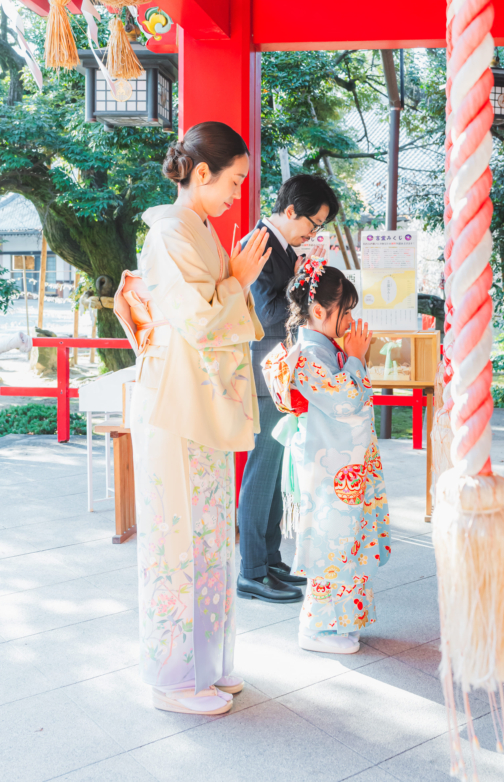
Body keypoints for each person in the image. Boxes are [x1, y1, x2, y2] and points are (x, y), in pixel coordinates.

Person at [117, 122, 269, 717]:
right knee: (177, 542)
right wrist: (239, 281)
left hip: (197, 400)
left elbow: (217, 306)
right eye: (233, 181)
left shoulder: (199, 228)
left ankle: (207, 664)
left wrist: (234, 281)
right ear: (201, 174)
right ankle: (174, 678)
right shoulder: (170, 233)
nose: (237, 194)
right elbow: (202, 322)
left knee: (208, 538)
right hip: (174, 402)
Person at [262, 261, 391, 654]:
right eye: (345, 311)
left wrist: (351, 358)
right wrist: (354, 358)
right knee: (330, 543)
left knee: (349, 541)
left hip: (342, 466)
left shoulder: (324, 351)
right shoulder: (306, 357)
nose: (351, 320)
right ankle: (316, 629)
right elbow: (348, 402)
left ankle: (341, 623)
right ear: (319, 312)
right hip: (327, 470)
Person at [237, 174, 340, 604]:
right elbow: (271, 314)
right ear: (292, 210)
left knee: (276, 471)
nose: (312, 233)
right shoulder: (260, 244)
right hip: (265, 368)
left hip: (276, 368)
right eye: (312, 224)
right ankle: (252, 570)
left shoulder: (279, 246)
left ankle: (271, 562)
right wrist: (302, 282)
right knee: (263, 470)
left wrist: (299, 275)